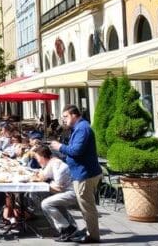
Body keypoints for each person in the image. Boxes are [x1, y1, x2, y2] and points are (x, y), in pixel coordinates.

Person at [51, 105, 101, 244]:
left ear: (74, 115)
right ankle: (90, 231)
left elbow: (77, 151)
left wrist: (59, 147)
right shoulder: (79, 128)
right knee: (85, 205)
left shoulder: (82, 129)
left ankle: (93, 236)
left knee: (87, 206)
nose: (64, 120)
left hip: (84, 174)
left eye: (65, 116)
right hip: (82, 172)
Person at [31, 144, 78, 241]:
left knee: (46, 203)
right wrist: (40, 178)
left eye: (37, 158)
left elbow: (58, 187)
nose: (37, 160)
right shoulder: (50, 164)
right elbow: (42, 176)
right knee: (39, 196)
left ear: (43, 157)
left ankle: (67, 228)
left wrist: (45, 182)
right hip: (65, 192)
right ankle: (63, 229)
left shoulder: (56, 164)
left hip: (72, 193)